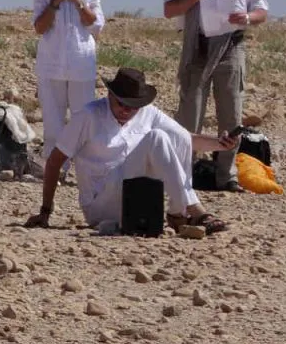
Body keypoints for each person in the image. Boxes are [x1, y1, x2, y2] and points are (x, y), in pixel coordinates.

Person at [26, 68, 233, 234]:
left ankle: (178, 211)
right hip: (101, 204)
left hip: (136, 199)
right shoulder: (88, 116)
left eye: (132, 107)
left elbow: (186, 140)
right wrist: (45, 211)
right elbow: (55, 160)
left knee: (169, 137)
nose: (126, 111)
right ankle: (192, 211)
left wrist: (220, 143)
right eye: (121, 104)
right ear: (109, 95)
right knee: (157, 137)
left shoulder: (147, 113)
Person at [164, 0, 268, 192]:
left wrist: (247, 16)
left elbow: (262, 10)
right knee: (190, 115)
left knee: (231, 115)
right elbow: (169, 9)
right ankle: (183, 172)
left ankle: (226, 176)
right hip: (196, 48)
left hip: (231, 47)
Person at [32, 0, 104, 174]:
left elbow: (95, 25)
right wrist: (56, 0)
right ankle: (55, 171)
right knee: (53, 122)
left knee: (82, 120)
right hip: (51, 65)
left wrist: (77, 1)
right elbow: (40, 27)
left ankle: (84, 170)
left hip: (81, 64)